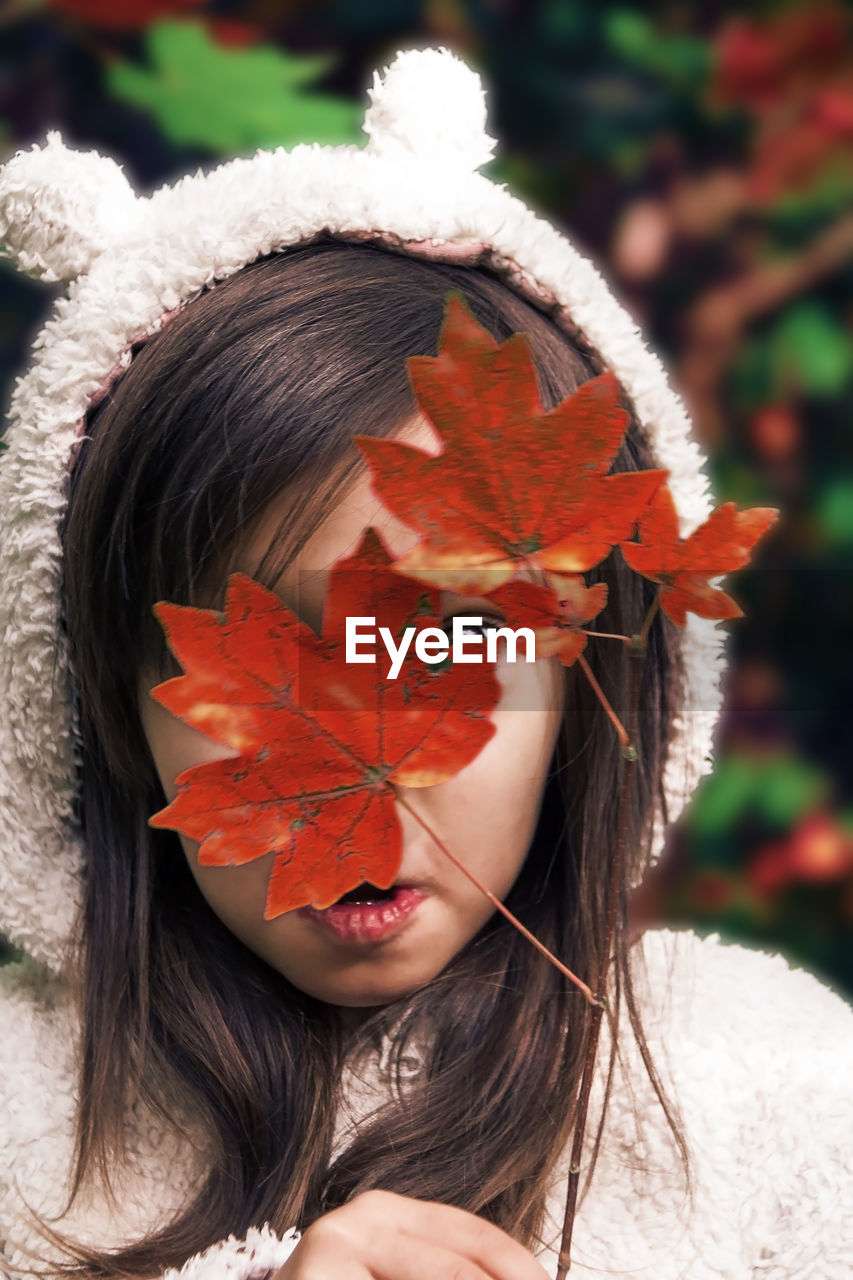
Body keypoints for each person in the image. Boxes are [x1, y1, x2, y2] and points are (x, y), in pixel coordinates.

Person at [0, 47, 850, 1280]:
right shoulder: (21, 1133)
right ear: (100, 706)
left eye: (440, 634)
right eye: (265, 665)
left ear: (591, 670)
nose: (368, 763)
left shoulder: (783, 1097)